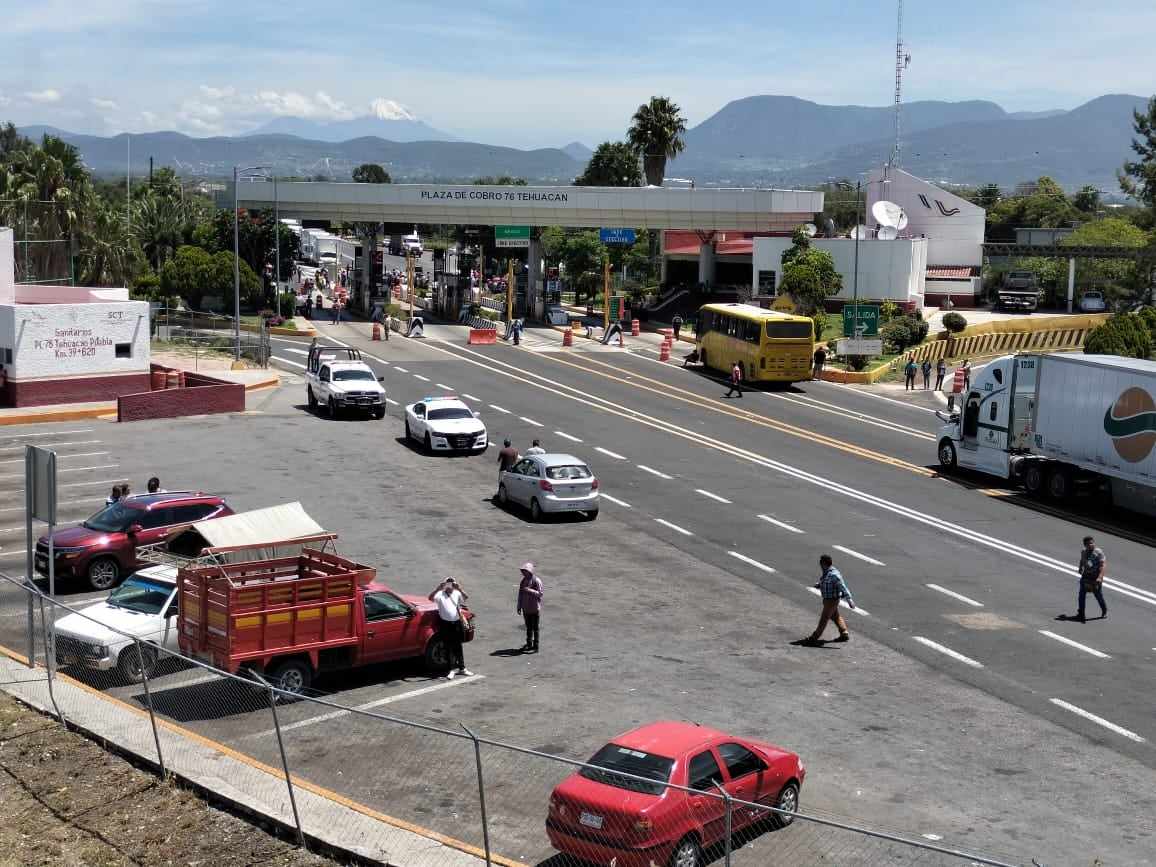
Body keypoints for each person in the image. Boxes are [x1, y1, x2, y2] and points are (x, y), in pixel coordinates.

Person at [803, 554, 854, 644]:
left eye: (820, 564)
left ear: (823, 563)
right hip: (828, 600)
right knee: (836, 616)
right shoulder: (827, 572)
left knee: (824, 619)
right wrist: (819, 585)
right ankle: (844, 633)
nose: (820, 566)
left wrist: (849, 600)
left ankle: (814, 638)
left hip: (832, 600)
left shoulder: (834, 574)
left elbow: (843, 587)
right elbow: (827, 582)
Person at [428, 578, 471, 678]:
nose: (449, 586)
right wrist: (438, 588)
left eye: (451, 584)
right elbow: (430, 598)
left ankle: (462, 668)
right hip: (445, 624)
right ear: (445, 584)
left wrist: (460, 588)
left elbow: (466, 597)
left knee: (458, 646)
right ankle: (451, 669)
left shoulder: (457, 593)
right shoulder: (440, 594)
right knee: (448, 646)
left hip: (456, 623)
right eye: (447, 583)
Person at [1074, 536, 1108, 622]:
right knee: (1081, 595)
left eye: (1092, 542)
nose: (1091, 544)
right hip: (1085, 577)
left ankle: (1104, 610)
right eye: (1089, 543)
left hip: (1095, 578)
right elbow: (1082, 560)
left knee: (1098, 596)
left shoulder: (1098, 552)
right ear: (1085, 545)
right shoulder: (1083, 552)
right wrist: (1080, 567)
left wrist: (1100, 577)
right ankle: (1081, 613)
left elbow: (1103, 565)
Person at [516, 562, 543, 653]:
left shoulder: (536, 581)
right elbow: (520, 594)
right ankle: (529, 643)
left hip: (535, 609)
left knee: (535, 628)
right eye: (523, 571)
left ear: (530, 571)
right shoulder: (523, 581)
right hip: (526, 609)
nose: (523, 573)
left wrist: (530, 590)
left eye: (525, 571)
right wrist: (519, 606)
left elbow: (540, 594)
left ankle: (536, 646)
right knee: (528, 627)